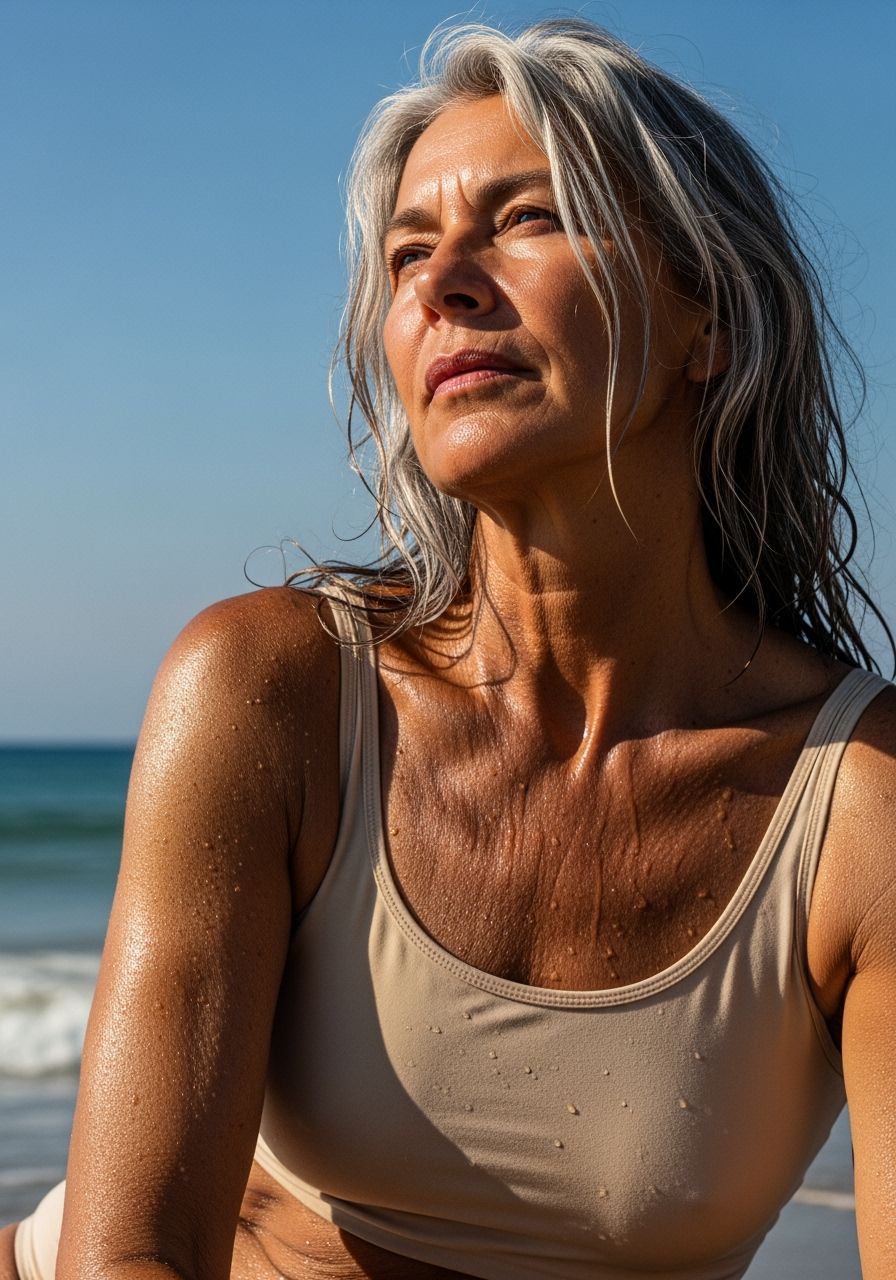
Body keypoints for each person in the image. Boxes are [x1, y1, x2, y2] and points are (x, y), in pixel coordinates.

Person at [3, 16, 894, 1280]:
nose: (441, 282)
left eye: (524, 219)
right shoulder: (274, 692)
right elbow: (132, 1250)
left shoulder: (863, 810)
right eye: (408, 249)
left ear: (712, 322)